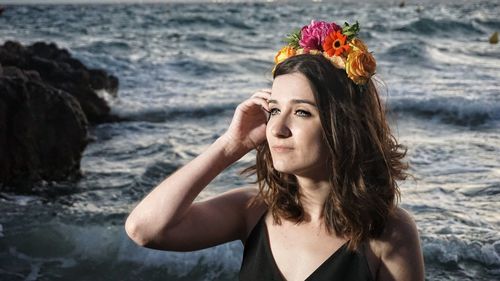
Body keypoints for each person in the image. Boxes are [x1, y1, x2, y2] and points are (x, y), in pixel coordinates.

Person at [125, 20, 425, 281]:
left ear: (344, 125)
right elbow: (144, 229)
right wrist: (231, 145)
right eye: (273, 110)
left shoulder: (390, 233)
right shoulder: (253, 211)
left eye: (302, 113)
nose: (277, 128)